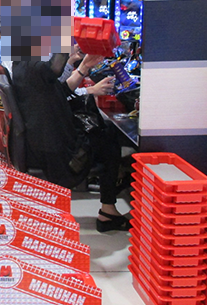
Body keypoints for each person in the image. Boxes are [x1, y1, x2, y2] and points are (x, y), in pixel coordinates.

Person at [12, 53, 129, 232]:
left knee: (104, 130)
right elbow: (54, 68)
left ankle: (110, 204)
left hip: (45, 145)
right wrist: (64, 40)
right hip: (62, 158)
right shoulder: (35, 67)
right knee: (108, 135)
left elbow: (60, 91)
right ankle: (109, 209)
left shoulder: (22, 64)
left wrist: (84, 67)